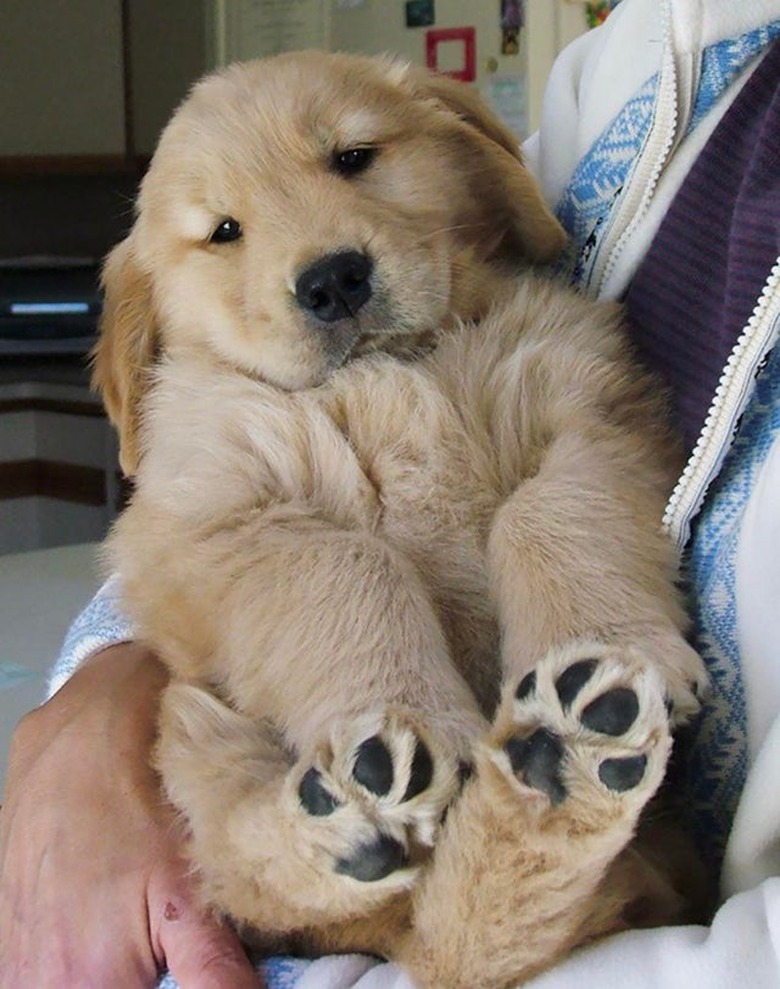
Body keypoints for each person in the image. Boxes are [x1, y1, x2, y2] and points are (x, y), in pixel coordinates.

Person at [2, 0, 779, 986]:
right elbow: (176, 559)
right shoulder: (664, 51)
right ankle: (353, 843)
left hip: (619, 913)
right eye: (224, 232)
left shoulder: (529, 324)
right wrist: (91, 696)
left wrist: (582, 592)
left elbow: (599, 429)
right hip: (293, 869)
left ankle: (526, 842)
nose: (319, 253)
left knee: (566, 474)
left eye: (354, 157)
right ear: (147, 324)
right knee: (215, 756)